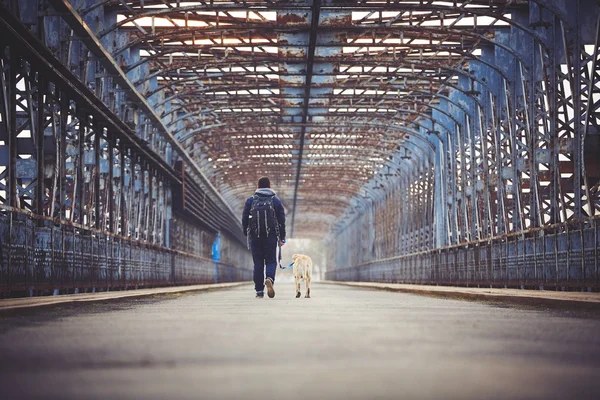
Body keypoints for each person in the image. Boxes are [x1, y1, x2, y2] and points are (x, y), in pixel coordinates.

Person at [242, 177, 286, 298]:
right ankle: (270, 279)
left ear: (258, 186)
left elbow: (245, 218)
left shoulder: (250, 200)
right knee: (271, 261)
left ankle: (259, 290)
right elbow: (282, 220)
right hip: (271, 236)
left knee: (258, 263)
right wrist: (282, 237)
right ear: (270, 186)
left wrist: (246, 232)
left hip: (255, 237)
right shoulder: (275, 201)